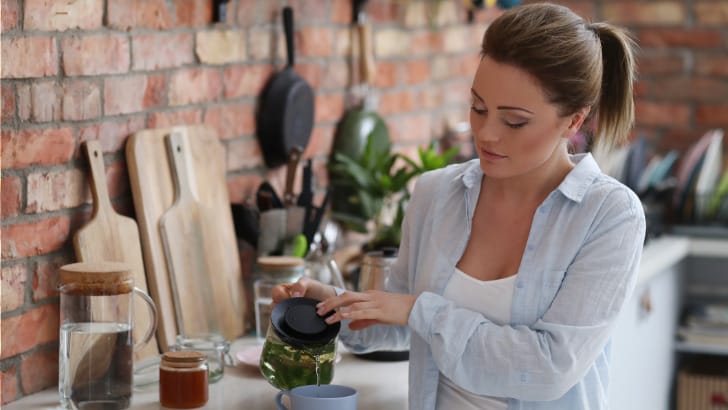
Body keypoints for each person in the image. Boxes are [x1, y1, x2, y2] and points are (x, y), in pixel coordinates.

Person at [272, 3, 646, 409]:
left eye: (514, 121)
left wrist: (421, 311)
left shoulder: (609, 216)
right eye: (478, 107)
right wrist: (333, 306)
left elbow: (547, 369)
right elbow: (400, 324)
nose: (485, 134)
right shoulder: (437, 194)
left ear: (573, 121)